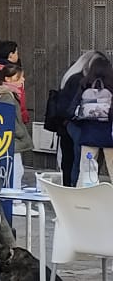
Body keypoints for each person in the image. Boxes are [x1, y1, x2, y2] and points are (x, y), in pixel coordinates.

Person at [47, 52, 103, 185]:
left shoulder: (70, 77)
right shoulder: (81, 80)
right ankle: (75, 187)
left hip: (66, 126)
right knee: (80, 161)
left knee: (69, 160)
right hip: (76, 125)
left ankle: (70, 187)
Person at [59, 52, 113, 184]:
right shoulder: (111, 86)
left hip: (89, 133)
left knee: (86, 170)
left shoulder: (84, 84)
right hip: (109, 134)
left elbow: (72, 109)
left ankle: (82, 196)